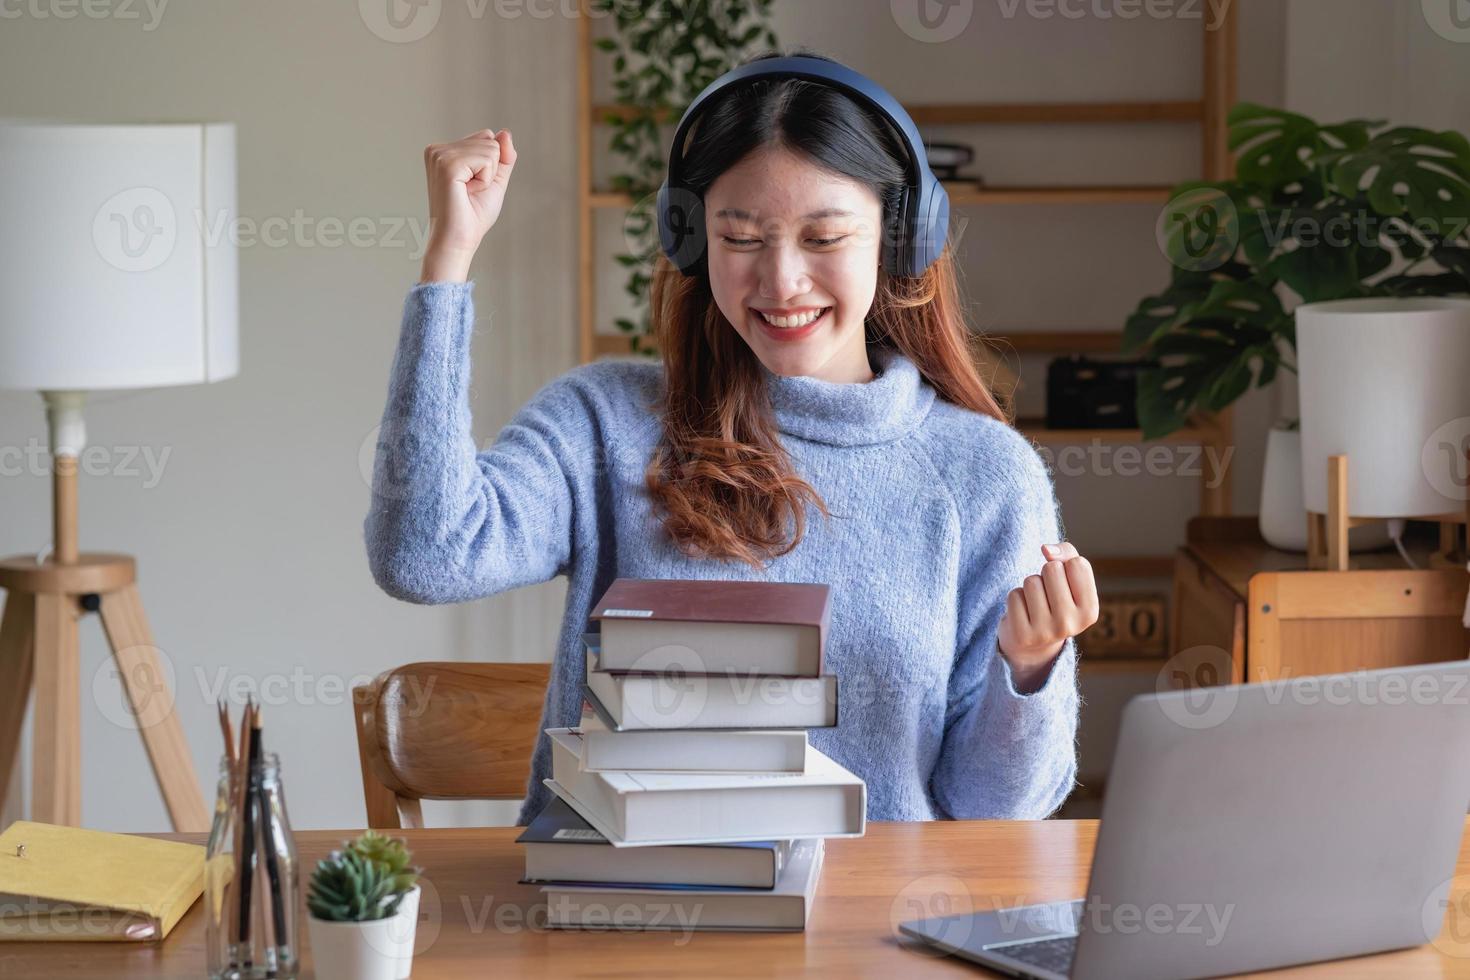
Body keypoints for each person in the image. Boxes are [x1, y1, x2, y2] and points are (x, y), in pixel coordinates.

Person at [364, 51, 1099, 824]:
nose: (780, 282)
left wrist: (1030, 668)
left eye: (824, 238)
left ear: (899, 240)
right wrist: (447, 267)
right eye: (741, 237)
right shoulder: (604, 420)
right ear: (692, 239)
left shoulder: (983, 476)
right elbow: (425, 553)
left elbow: (995, 812)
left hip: (869, 928)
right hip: (630, 921)